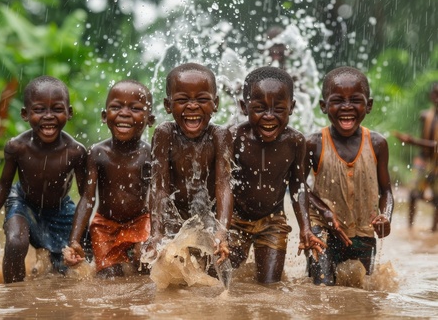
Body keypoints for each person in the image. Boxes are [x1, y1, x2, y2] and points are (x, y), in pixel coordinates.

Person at [0, 75, 87, 283]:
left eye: (57, 109)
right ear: (25, 114)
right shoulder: (17, 147)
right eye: (39, 110)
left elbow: (86, 197)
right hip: (22, 201)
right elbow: (3, 185)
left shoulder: (75, 151)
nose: (48, 116)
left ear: (69, 112)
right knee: (15, 242)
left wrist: (77, 238)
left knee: (67, 266)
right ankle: (13, 299)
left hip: (60, 209)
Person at [229, 66, 326, 285]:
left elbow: (298, 187)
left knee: (269, 287)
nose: (269, 117)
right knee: (222, 284)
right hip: (235, 221)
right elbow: (221, 183)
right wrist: (220, 227)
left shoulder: (294, 141)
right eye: (260, 108)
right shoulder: (234, 137)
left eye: (278, 109)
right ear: (244, 107)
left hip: (273, 222)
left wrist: (306, 228)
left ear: (291, 107)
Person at [304, 66, 394, 286]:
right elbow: (298, 187)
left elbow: (387, 191)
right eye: (337, 101)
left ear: (368, 105)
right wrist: (324, 211)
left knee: (361, 290)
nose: (346, 107)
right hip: (323, 228)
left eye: (355, 100)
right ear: (324, 106)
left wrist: (386, 217)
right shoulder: (314, 143)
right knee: (322, 287)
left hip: (363, 232)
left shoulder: (377, 144)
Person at [63, 80, 155, 278]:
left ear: (150, 119)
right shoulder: (98, 153)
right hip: (105, 225)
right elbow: (88, 199)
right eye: (116, 107)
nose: (124, 113)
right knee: (108, 277)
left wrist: (157, 234)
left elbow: (158, 196)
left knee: (145, 262)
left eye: (135, 108)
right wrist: (74, 242)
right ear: (105, 116)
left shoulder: (150, 154)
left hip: (140, 221)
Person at [144, 62, 233, 267]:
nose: (192, 106)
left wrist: (222, 231)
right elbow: (159, 187)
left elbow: (224, 185)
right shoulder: (165, 134)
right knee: (173, 272)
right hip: (175, 216)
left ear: (215, 103)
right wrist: (156, 233)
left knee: (214, 271)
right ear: (168, 105)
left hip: (209, 217)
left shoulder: (220, 136)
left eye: (202, 99)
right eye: (182, 100)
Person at [394, 82, 438, 232]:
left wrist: (412, 141)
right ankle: (410, 228)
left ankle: (433, 230)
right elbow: (426, 141)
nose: (437, 98)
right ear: (431, 96)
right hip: (424, 160)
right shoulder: (425, 116)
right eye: (435, 94)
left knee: (437, 198)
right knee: (413, 193)